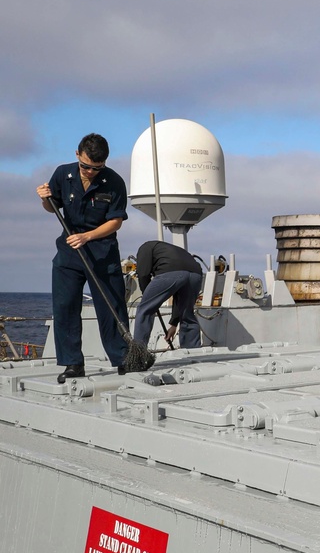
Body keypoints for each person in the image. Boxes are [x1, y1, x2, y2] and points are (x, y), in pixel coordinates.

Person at [36, 134, 130, 383]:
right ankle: (72, 364)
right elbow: (51, 207)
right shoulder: (62, 174)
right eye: (86, 166)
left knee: (112, 306)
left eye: (97, 168)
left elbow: (116, 221)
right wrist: (45, 198)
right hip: (69, 251)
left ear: (104, 163)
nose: (90, 172)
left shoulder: (115, 182)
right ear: (77, 155)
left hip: (102, 252)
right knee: (65, 306)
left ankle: (122, 359)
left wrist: (88, 237)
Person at [132, 240, 204, 349]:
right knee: (187, 313)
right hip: (196, 274)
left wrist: (147, 297)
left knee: (145, 309)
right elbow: (178, 297)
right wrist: (174, 324)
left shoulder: (144, 247)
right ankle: (193, 350)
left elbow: (143, 274)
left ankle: (138, 352)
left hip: (170, 271)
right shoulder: (168, 250)